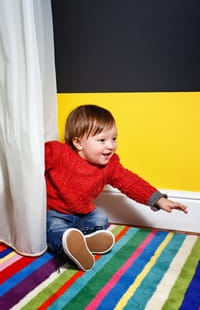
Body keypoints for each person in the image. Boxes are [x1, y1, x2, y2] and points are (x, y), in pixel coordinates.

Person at [45, 105, 188, 271]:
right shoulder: (58, 153)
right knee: (52, 230)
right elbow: (31, 156)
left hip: (84, 213)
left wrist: (159, 199)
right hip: (56, 212)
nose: (111, 146)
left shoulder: (110, 165)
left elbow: (130, 182)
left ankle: (87, 240)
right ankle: (69, 246)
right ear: (78, 143)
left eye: (114, 139)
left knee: (100, 217)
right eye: (102, 140)